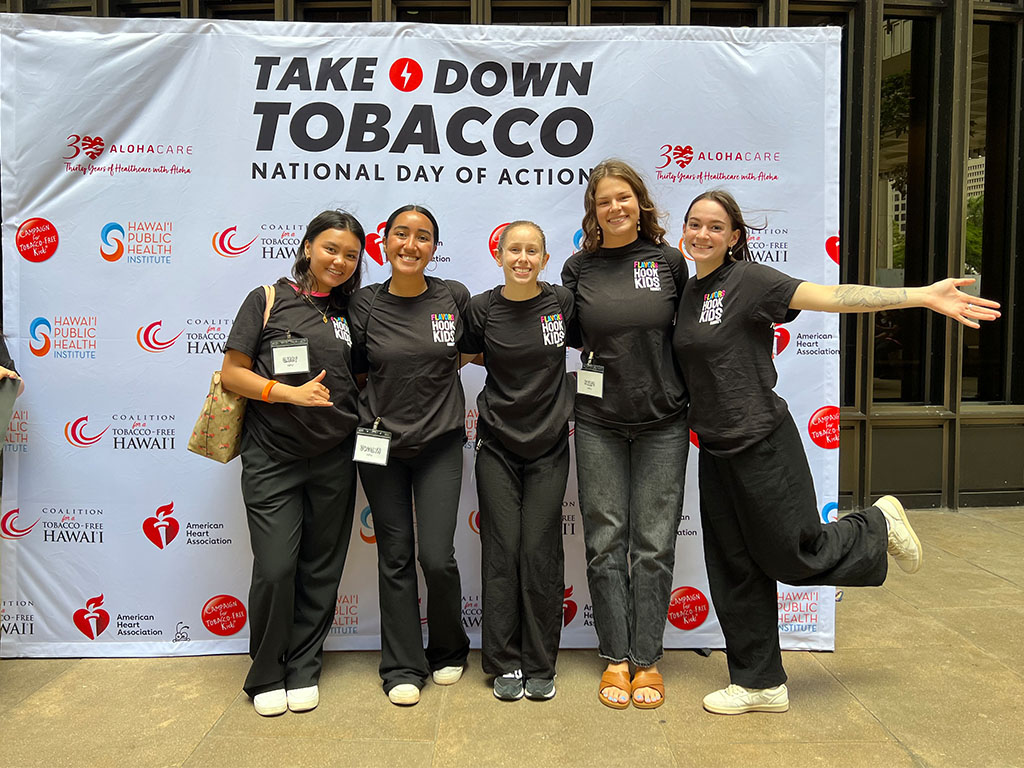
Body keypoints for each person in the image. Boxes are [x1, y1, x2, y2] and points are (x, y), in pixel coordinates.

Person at [671, 189, 1001, 715]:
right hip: (715, 448)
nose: (702, 234)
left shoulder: (751, 281)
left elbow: (833, 296)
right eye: (694, 224)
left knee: (793, 553)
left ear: (735, 237)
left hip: (761, 441)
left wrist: (918, 295)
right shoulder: (689, 291)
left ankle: (876, 525)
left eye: (715, 226)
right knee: (733, 567)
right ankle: (759, 683)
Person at [221, 209, 364, 717]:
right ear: (307, 247)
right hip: (272, 458)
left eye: (351, 254)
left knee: (322, 568)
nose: (340, 261)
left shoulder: (352, 312)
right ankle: (266, 673)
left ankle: (304, 666)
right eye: (331, 248)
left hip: (334, 459)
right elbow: (232, 375)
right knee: (277, 568)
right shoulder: (267, 299)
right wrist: (286, 393)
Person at [561, 160, 689, 709]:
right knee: (604, 541)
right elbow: (560, 335)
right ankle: (615, 658)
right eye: (604, 200)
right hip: (598, 422)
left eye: (624, 198)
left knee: (655, 545)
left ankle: (648, 659)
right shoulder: (577, 268)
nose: (615, 207)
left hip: (664, 420)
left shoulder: (668, 262)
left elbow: (694, 332)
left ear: (641, 203)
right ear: (593, 211)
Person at [348, 204, 471, 706]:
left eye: (422, 237)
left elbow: (475, 349)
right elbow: (355, 369)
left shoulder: (453, 297)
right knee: (394, 554)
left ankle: (448, 649)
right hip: (380, 448)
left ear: (434, 248)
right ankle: (401, 664)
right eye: (401, 234)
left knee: (436, 557)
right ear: (385, 242)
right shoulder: (363, 304)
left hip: (441, 443)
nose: (410, 244)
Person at [462, 221, 575, 702]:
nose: (523, 258)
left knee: (539, 552)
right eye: (514, 250)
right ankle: (504, 661)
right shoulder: (482, 308)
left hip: (550, 444)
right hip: (497, 446)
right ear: (500, 255)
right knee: (502, 551)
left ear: (545, 260)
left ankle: (540, 663)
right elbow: (452, 356)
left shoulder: (562, 303)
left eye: (532, 251)